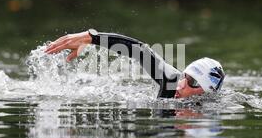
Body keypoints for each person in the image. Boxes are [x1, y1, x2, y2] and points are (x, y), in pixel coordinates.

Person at [45, 29, 225, 99]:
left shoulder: (211, 108)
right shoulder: (171, 81)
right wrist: (92, 38)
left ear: (206, 92)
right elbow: (141, 50)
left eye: (192, 82)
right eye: (184, 76)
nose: (182, 84)